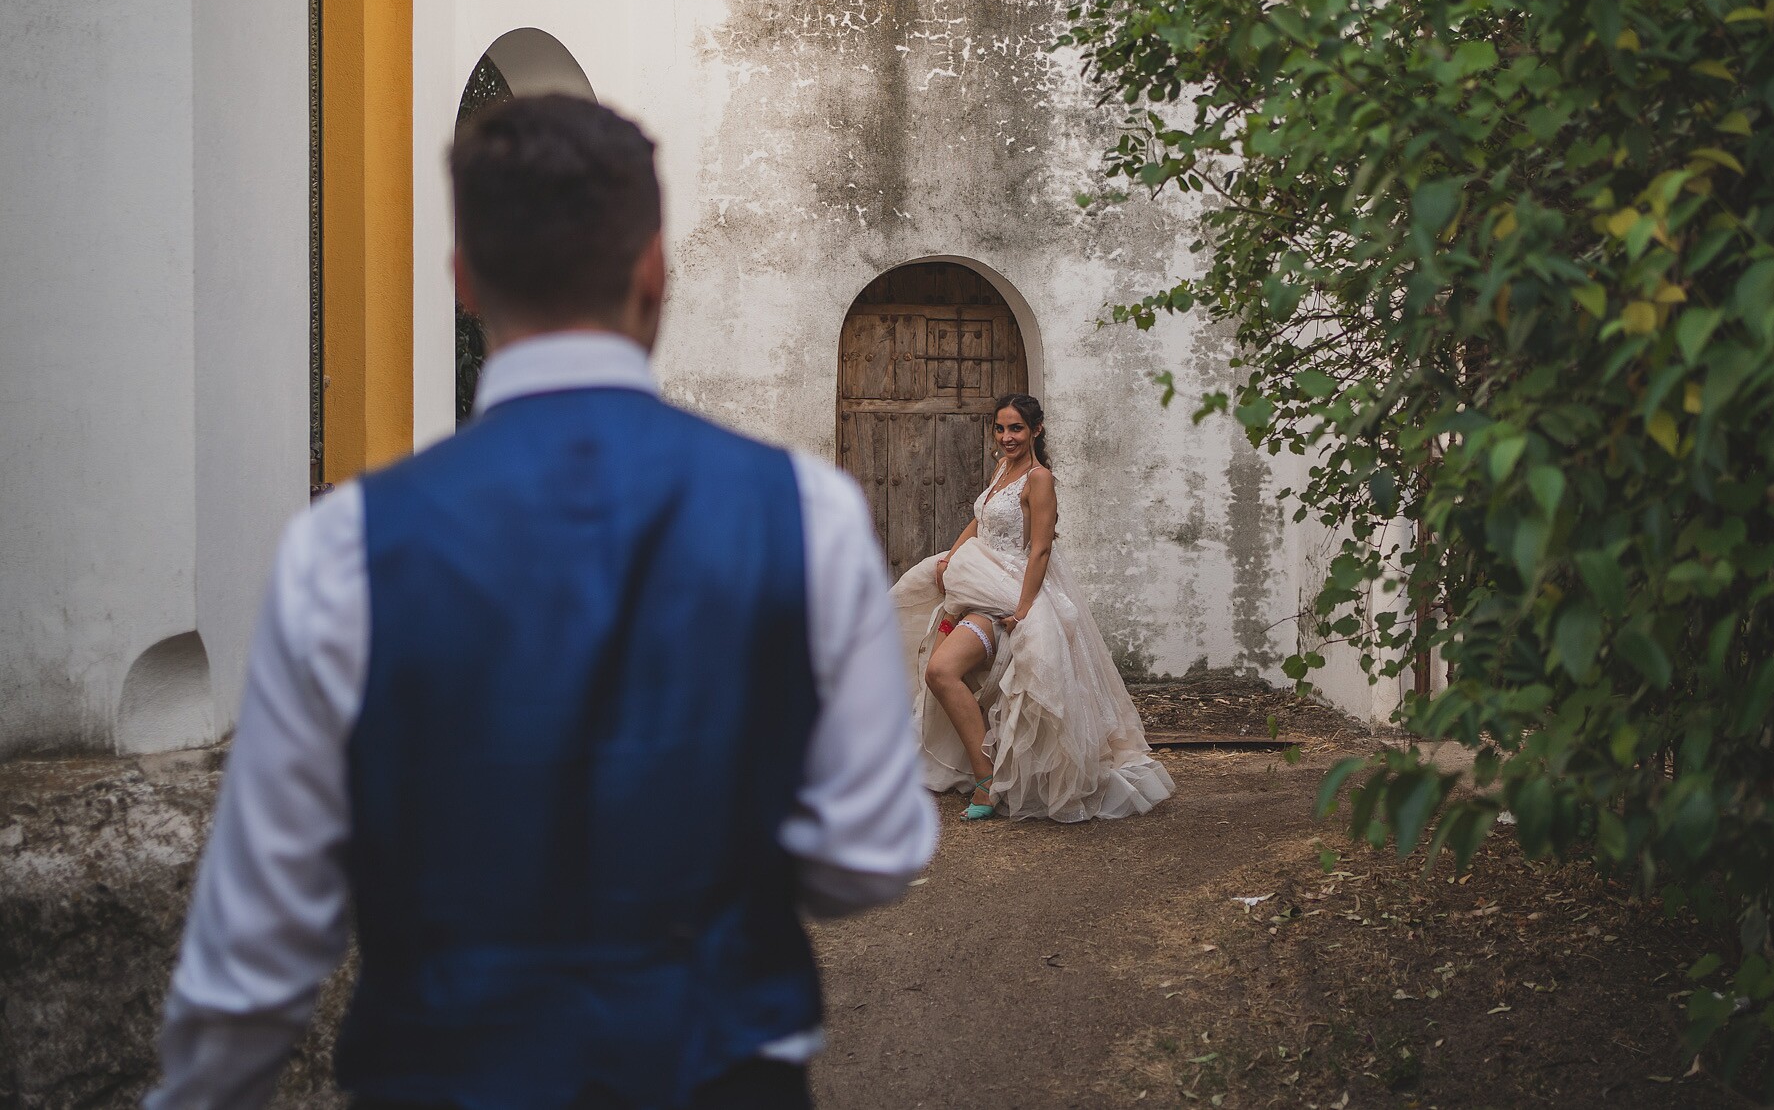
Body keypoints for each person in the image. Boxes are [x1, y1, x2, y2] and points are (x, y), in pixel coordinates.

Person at [145, 95, 936, 1110]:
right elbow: (870, 857)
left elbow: (257, 949)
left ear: (463, 277)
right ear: (653, 268)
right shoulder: (808, 513)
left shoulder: (343, 546)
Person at [891, 394, 1174, 822]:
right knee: (939, 669)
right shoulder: (1003, 469)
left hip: (1013, 590)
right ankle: (984, 772)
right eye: (1001, 428)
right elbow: (981, 517)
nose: (1007, 437)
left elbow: (1040, 549)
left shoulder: (1040, 479)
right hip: (979, 585)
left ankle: (992, 782)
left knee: (943, 671)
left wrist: (1023, 609)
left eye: (1016, 429)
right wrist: (953, 556)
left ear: (1036, 430)